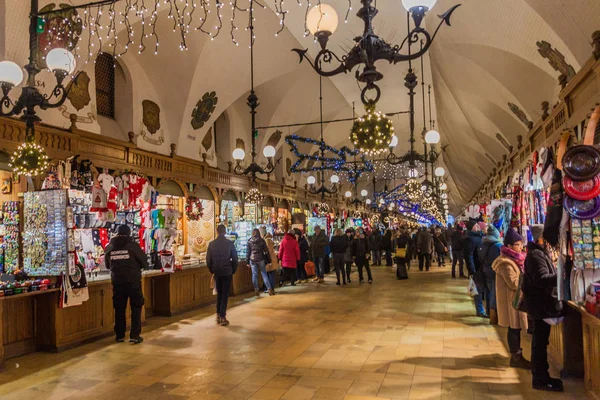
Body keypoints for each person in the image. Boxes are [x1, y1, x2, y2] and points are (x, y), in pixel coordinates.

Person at [523, 225, 564, 392]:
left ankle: (542, 376)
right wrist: (562, 275)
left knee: (540, 343)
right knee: (539, 344)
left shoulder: (536, 254)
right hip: (540, 305)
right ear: (541, 238)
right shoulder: (535, 256)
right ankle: (540, 379)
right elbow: (542, 279)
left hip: (539, 305)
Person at [491, 227, 531, 370]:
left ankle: (517, 355)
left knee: (516, 328)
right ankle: (516, 357)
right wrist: (528, 279)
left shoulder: (515, 260)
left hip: (514, 300)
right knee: (514, 329)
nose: (521, 247)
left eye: (521, 243)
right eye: (517, 244)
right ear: (509, 246)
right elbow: (513, 283)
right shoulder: (506, 263)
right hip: (511, 302)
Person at [104, 224, 147, 344]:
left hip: (117, 282)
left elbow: (107, 265)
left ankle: (119, 335)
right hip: (133, 281)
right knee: (136, 307)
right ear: (129, 233)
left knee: (119, 308)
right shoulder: (133, 246)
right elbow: (144, 261)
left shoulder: (110, 247)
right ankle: (134, 335)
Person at [206, 224, 238, 326]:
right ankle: (222, 315)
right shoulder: (229, 244)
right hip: (227, 271)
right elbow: (235, 259)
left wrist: (212, 270)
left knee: (219, 292)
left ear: (217, 231)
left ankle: (218, 314)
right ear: (225, 232)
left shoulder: (212, 244)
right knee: (224, 294)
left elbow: (208, 260)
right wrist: (233, 269)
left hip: (217, 271)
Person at [478, 225, 502, 324]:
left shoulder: (483, 244)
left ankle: (488, 311)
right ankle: (494, 315)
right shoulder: (497, 246)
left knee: (488, 292)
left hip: (485, 270)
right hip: (494, 271)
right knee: (494, 294)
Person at [463, 220, 485, 317]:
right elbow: (469, 255)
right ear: (472, 227)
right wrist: (471, 270)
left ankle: (485, 310)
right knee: (477, 289)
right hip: (476, 267)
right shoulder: (469, 239)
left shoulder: (478, 236)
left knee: (481, 289)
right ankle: (479, 310)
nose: (478, 227)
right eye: (476, 225)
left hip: (482, 266)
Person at [247, 228, 274, 297]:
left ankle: (256, 289)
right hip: (261, 259)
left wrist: (247, 262)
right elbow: (266, 251)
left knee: (254, 274)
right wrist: (269, 260)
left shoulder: (249, 241)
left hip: (252, 259)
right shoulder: (262, 240)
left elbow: (248, 252)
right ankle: (269, 289)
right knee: (264, 274)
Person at [262, 228, 278, 293]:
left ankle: (270, 288)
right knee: (271, 274)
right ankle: (271, 288)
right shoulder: (269, 240)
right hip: (273, 259)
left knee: (269, 274)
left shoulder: (266, 241)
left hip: (269, 259)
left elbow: (267, 251)